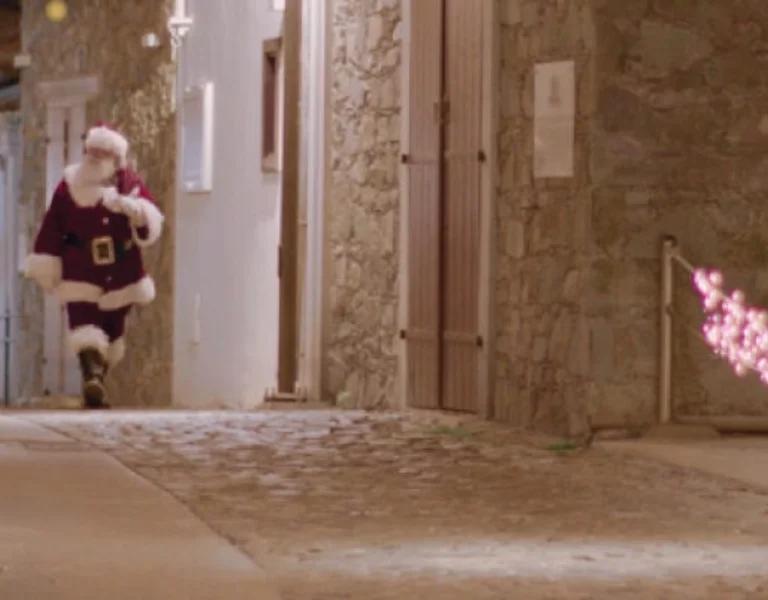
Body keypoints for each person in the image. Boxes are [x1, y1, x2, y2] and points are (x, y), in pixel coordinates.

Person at [23, 122, 164, 409]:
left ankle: (98, 380)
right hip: (80, 268)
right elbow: (52, 227)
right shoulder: (68, 186)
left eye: (102, 152)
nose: (94, 157)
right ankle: (92, 375)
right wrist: (47, 261)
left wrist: (136, 212)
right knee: (84, 322)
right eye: (91, 151)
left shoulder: (129, 184)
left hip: (120, 271)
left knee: (112, 331)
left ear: (115, 157)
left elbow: (150, 220)